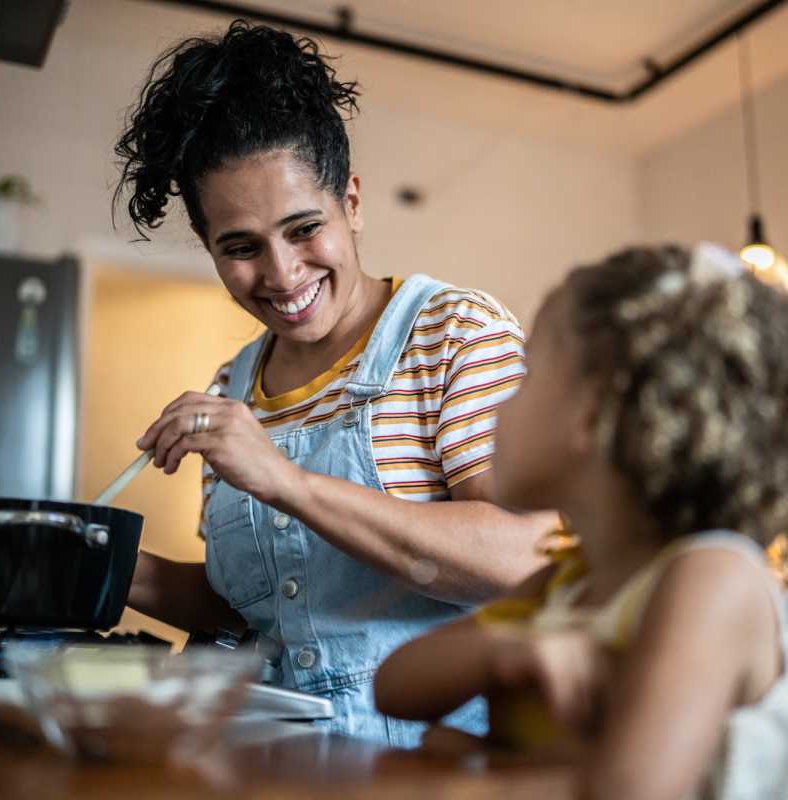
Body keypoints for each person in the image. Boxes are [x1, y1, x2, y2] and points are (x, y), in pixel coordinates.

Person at [114, 20, 555, 745]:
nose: (283, 275)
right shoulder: (233, 385)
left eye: (303, 228)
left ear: (351, 202)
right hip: (270, 763)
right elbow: (257, 617)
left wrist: (286, 480)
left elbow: (527, 556)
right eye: (241, 248)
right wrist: (107, 563)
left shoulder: (455, 335)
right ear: (209, 247)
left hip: (430, 772)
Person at [375, 243, 788, 797]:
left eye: (527, 376)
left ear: (592, 414)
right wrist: (505, 652)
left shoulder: (711, 578)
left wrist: (474, 776)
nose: (498, 407)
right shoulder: (569, 581)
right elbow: (394, 686)